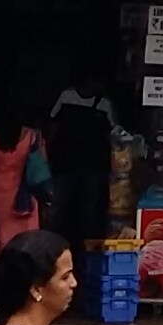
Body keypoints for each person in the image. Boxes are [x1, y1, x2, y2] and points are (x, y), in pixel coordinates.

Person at [43, 82, 115, 248]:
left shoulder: (105, 104)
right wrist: (48, 155)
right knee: (59, 211)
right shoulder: (66, 96)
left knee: (89, 213)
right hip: (65, 165)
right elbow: (53, 127)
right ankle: (54, 250)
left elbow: (113, 135)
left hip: (93, 167)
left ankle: (86, 252)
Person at [0, 121, 46, 264]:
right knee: (26, 247)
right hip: (24, 199)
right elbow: (42, 169)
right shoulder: (32, 137)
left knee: (3, 250)